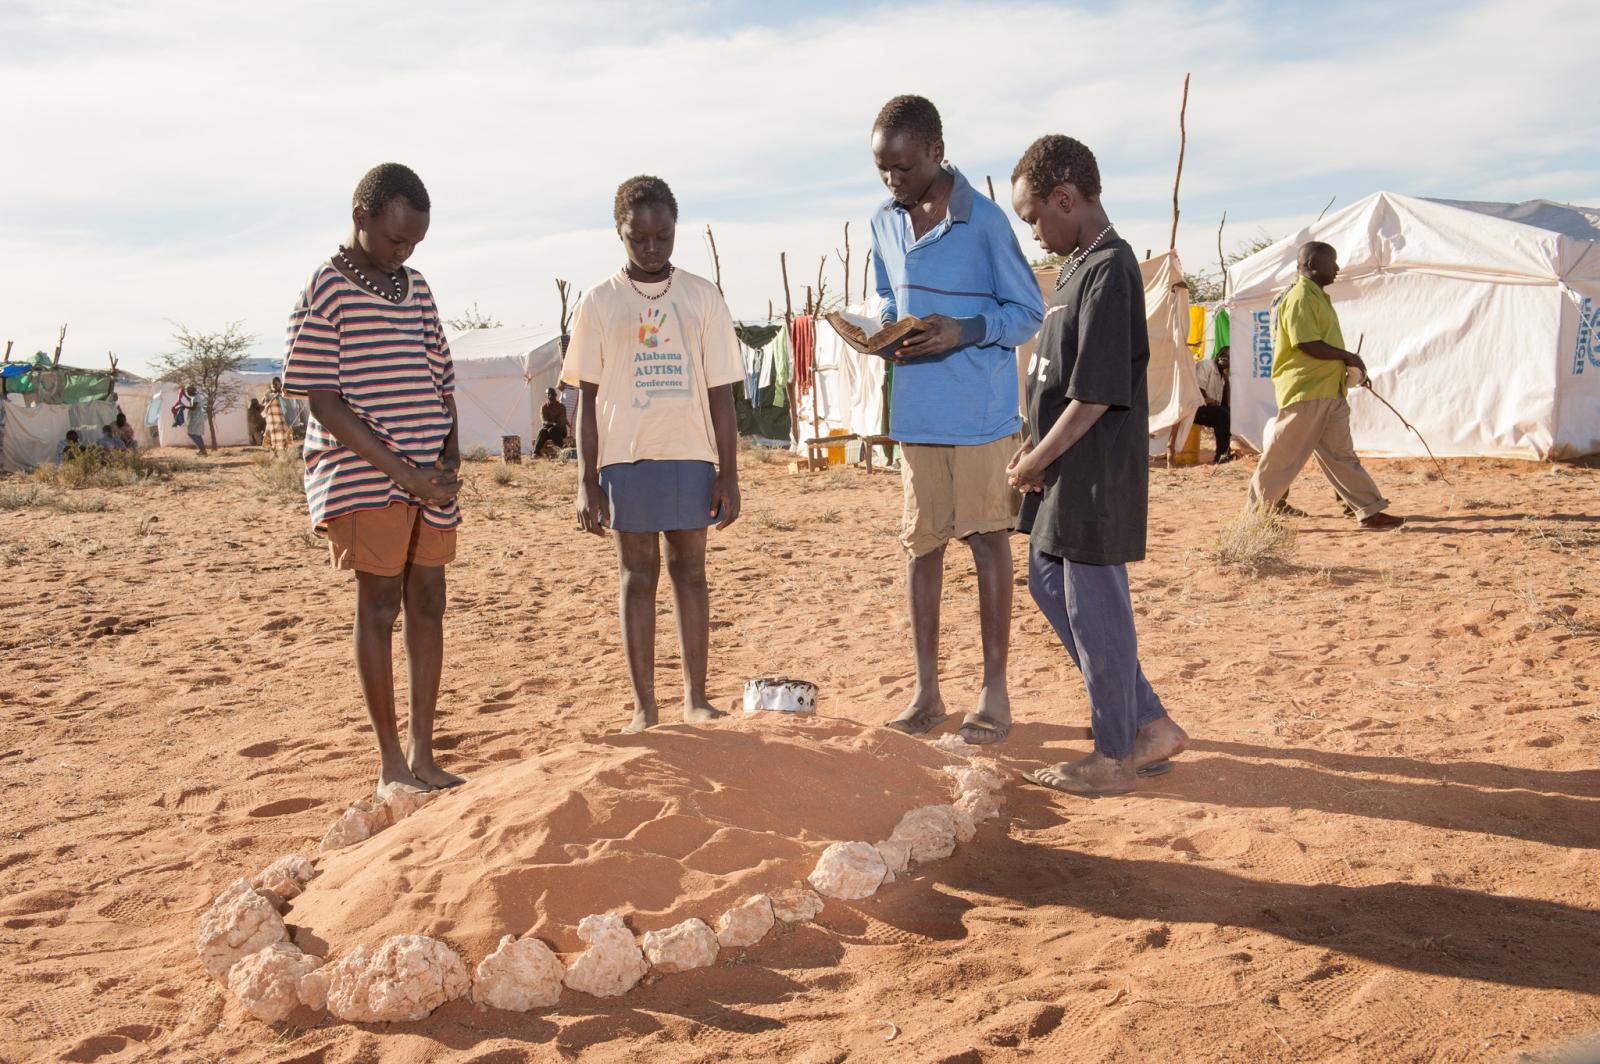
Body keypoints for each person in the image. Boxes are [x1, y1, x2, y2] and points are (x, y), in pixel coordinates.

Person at [1007, 133, 1189, 797]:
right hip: (1063, 471)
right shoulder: (1076, 270)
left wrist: (1037, 458)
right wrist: (1035, 450)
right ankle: (1147, 723)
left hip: (1093, 473)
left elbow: (1094, 394)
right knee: (1048, 584)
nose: (1034, 234)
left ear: (1065, 199)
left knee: (1095, 609)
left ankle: (1114, 755)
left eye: (1034, 218)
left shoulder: (1111, 269)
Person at [866, 94, 1046, 745]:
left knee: (988, 544)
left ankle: (994, 691)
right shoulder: (882, 222)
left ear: (937, 152)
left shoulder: (986, 221)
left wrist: (964, 330)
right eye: (883, 169)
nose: (893, 180)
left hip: (979, 418)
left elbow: (1027, 313)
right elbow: (888, 297)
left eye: (904, 167)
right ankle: (926, 691)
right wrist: (887, 332)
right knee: (922, 548)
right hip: (917, 417)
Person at [282, 161, 465, 793]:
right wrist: (402, 473)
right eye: (395, 239)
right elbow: (322, 401)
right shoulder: (327, 288)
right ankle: (390, 762)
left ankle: (423, 755)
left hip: (426, 474)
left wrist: (448, 453)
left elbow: (442, 377)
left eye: (415, 242)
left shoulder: (417, 287)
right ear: (361, 217)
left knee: (430, 599)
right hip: (364, 472)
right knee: (381, 603)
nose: (404, 252)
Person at [565, 175, 743, 734]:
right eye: (637, 237)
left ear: (674, 229)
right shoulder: (598, 302)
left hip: (690, 454)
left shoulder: (702, 296)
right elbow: (587, 399)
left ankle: (696, 698)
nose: (650, 247)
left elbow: (721, 394)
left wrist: (730, 474)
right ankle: (645, 706)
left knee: (691, 571)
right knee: (636, 576)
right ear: (618, 232)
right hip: (625, 458)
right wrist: (586, 479)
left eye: (661, 236)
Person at [1246, 242, 1404, 529]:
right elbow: (1307, 344)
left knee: (1341, 457)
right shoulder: (1300, 297)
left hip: (1329, 390)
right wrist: (1349, 357)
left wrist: (1348, 369)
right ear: (1313, 264)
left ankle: (1369, 510)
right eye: (1333, 262)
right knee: (1282, 456)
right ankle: (1255, 518)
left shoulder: (1316, 297)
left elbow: (1318, 344)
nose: (1337, 268)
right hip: (1307, 390)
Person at [1192, 343, 1233, 464]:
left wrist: (1226, 380)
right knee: (1222, 414)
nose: (1223, 357)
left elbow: (1224, 403)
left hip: (1206, 409)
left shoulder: (1221, 375)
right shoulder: (1207, 365)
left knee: (1228, 412)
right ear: (1217, 354)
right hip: (1193, 407)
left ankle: (1225, 452)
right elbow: (1198, 388)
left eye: (1228, 357)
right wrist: (1208, 400)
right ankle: (1221, 454)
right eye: (1222, 354)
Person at [533, 386, 569, 457]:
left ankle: (562, 450)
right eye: (548, 393)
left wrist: (553, 424)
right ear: (546, 396)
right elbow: (544, 422)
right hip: (548, 430)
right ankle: (536, 453)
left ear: (555, 394)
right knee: (542, 431)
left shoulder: (561, 407)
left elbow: (561, 422)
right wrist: (553, 423)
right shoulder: (544, 407)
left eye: (552, 393)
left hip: (560, 431)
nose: (550, 395)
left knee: (552, 430)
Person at [263, 376, 291, 456]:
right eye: (273, 384)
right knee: (272, 437)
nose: (274, 386)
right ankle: (275, 454)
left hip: (283, 419)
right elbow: (265, 405)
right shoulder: (268, 394)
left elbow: (289, 405)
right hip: (272, 421)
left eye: (276, 384)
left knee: (284, 437)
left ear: (280, 384)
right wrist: (273, 398)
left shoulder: (284, 393)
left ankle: (285, 454)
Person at [183, 386, 209, 456]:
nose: (188, 393)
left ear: (191, 391)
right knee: (197, 434)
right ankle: (203, 450)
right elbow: (191, 401)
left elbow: (193, 407)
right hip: (199, 416)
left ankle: (202, 449)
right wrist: (184, 395)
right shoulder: (197, 396)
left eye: (188, 391)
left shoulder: (195, 397)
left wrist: (184, 406)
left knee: (191, 433)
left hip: (195, 417)